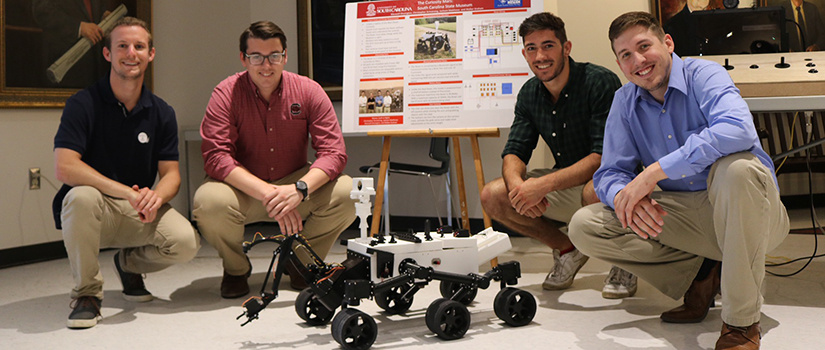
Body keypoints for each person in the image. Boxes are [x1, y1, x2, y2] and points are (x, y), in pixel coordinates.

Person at [569, 12, 789, 350]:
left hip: (751, 212)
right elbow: (609, 173)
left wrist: (655, 172)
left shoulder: (705, 74)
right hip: (690, 218)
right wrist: (625, 198)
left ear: (668, 43)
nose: (638, 61)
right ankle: (701, 274)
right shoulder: (624, 102)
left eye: (645, 46)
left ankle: (741, 325)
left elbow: (738, 129)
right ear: (619, 62)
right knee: (586, 225)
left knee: (736, 170)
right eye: (626, 55)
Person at [52, 16, 200, 329]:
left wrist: (154, 197)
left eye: (139, 46)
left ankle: (128, 263)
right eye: (122, 45)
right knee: (80, 197)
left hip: (137, 211)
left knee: (186, 241)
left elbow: (171, 173)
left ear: (151, 54)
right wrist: (127, 192)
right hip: (94, 211)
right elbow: (65, 166)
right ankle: (87, 294)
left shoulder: (161, 112)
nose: (130, 52)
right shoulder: (83, 104)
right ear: (108, 54)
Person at [193, 21, 355, 299]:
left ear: (285, 56)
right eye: (256, 56)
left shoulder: (309, 90)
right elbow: (216, 157)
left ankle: (300, 262)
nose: (266, 65)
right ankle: (235, 269)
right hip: (243, 189)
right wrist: (270, 193)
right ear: (243, 58)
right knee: (209, 203)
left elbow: (334, 153)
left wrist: (299, 189)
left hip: (294, 184)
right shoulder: (225, 93)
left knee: (349, 192)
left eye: (274, 56)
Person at [479, 12, 635, 298]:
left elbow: (602, 156)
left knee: (593, 191)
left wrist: (542, 186)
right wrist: (518, 188)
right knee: (493, 195)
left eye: (548, 45)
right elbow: (515, 150)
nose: (540, 56)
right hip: (567, 183)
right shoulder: (529, 93)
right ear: (525, 53)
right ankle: (568, 250)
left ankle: (625, 261)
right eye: (531, 48)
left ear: (566, 47)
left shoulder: (599, 82)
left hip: (611, 182)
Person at [32, 0, 111, 88]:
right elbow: (42, 12)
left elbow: (91, 11)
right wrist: (79, 27)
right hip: (65, 67)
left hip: (94, 67)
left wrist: (102, 16)